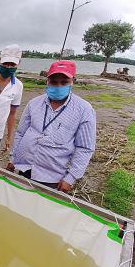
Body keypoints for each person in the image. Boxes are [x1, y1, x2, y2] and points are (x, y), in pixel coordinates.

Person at [7, 60, 96, 193]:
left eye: (64, 82)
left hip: (52, 178)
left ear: (73, 81)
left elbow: (84, 148)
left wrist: (70, 178)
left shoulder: (84, 110)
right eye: (54, 82)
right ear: (47, 81)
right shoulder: (34, 103)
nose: (58, 86)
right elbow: (21, 133)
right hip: (25, 169)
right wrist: (13, 158)